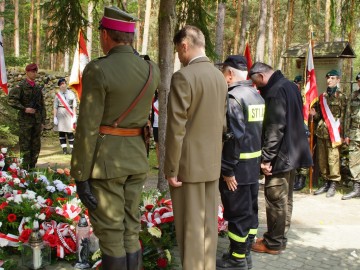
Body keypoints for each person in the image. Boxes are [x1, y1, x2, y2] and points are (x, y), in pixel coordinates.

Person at [70, 6, 160, 270]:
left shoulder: (98, 70)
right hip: (136, 159)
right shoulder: (150, 69)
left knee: (110, 234)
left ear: (107, 35)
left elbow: (87, 127)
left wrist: (80, 174)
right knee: (131, 230)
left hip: (107, 162)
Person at [164, 25, 227, 270]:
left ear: (184, 45)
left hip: (186, 168)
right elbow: (221, 124)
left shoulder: (183, 76)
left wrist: (171, 168)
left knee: (190, 230)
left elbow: (176, 127)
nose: (179, 56)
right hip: (211, 165)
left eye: (178, 51)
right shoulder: (219, 77)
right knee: (208, 229)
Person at [249, 62, 312, 254]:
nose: (257, 88)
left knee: (275, 198)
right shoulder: (290, 85)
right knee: (285, 198)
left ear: (260, 76)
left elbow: (275, 128)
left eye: (256, 84)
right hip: (293, 152)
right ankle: (279, 236)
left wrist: (266, 158)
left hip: (280, 155)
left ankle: (273, 243)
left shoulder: (275, 91)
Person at [216, 55, 264, 270]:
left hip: (237, 169)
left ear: (229, 74)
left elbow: (233, 137)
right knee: (251, 211)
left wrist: (227, 169)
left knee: (237, 214)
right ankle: (246, 254)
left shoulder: (234, 97)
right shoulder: (256, 95)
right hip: (253, 167)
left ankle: (236, 259)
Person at [313, 70, 347, 198]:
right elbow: (318, 116)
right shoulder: (322, 97)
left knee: (333, 159)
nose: (329, 80)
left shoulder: (342, 97)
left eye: (332, 78)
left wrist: (344, 135)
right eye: (328, 78)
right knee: (322, 159)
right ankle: (326, 182)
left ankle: (333, 183)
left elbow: (345, 117)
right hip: (322, 132)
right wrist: (314, 114)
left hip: (334, 133)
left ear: (338, 80)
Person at [8, 63, 46, 170]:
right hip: (25, 122)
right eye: (32, 71)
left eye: (35, 71)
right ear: (27, 72)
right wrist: (24, 108)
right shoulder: (20, 86)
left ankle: (32, 168)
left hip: (36, 121)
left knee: (36, 146)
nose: (34, 73)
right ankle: (25, 170)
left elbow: (42, 105)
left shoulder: (37, 88)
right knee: (25, 146)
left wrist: (42, 121)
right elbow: (11, 100)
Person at [342, 72, 360, 200]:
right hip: (355, 134)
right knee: (354, 161)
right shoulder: (353, 96)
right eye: (359, 81)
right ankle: (357, 187)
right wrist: (346, 134)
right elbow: (347, 116)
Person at [293, 75, 310, 191]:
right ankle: (295, 178)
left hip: (305, 125)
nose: (297, 85)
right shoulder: (293, 93)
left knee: (304, 152)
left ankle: (302, 179)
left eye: (298, 83)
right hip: (296, 125)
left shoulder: (308, 95)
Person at [53, 78, 77, 155]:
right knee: (61, 132)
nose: (62, 86)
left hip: (69, 114)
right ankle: (64, 149)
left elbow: (74, 106)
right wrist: (55, 117)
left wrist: (74, 116)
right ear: (59, 86)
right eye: (61, 84)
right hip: (60, 113)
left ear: (66, 84)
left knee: (70, 132)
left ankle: (72, 148)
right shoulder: (57, 95)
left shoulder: (71, 94)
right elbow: (55, 107)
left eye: (63, 84)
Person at [150, 89, 159, 169]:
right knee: (157, 145)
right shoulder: (154, 99)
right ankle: (159, 163)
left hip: (165, 125)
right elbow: (152, 112)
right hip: (156, 124)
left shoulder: (168, 97)